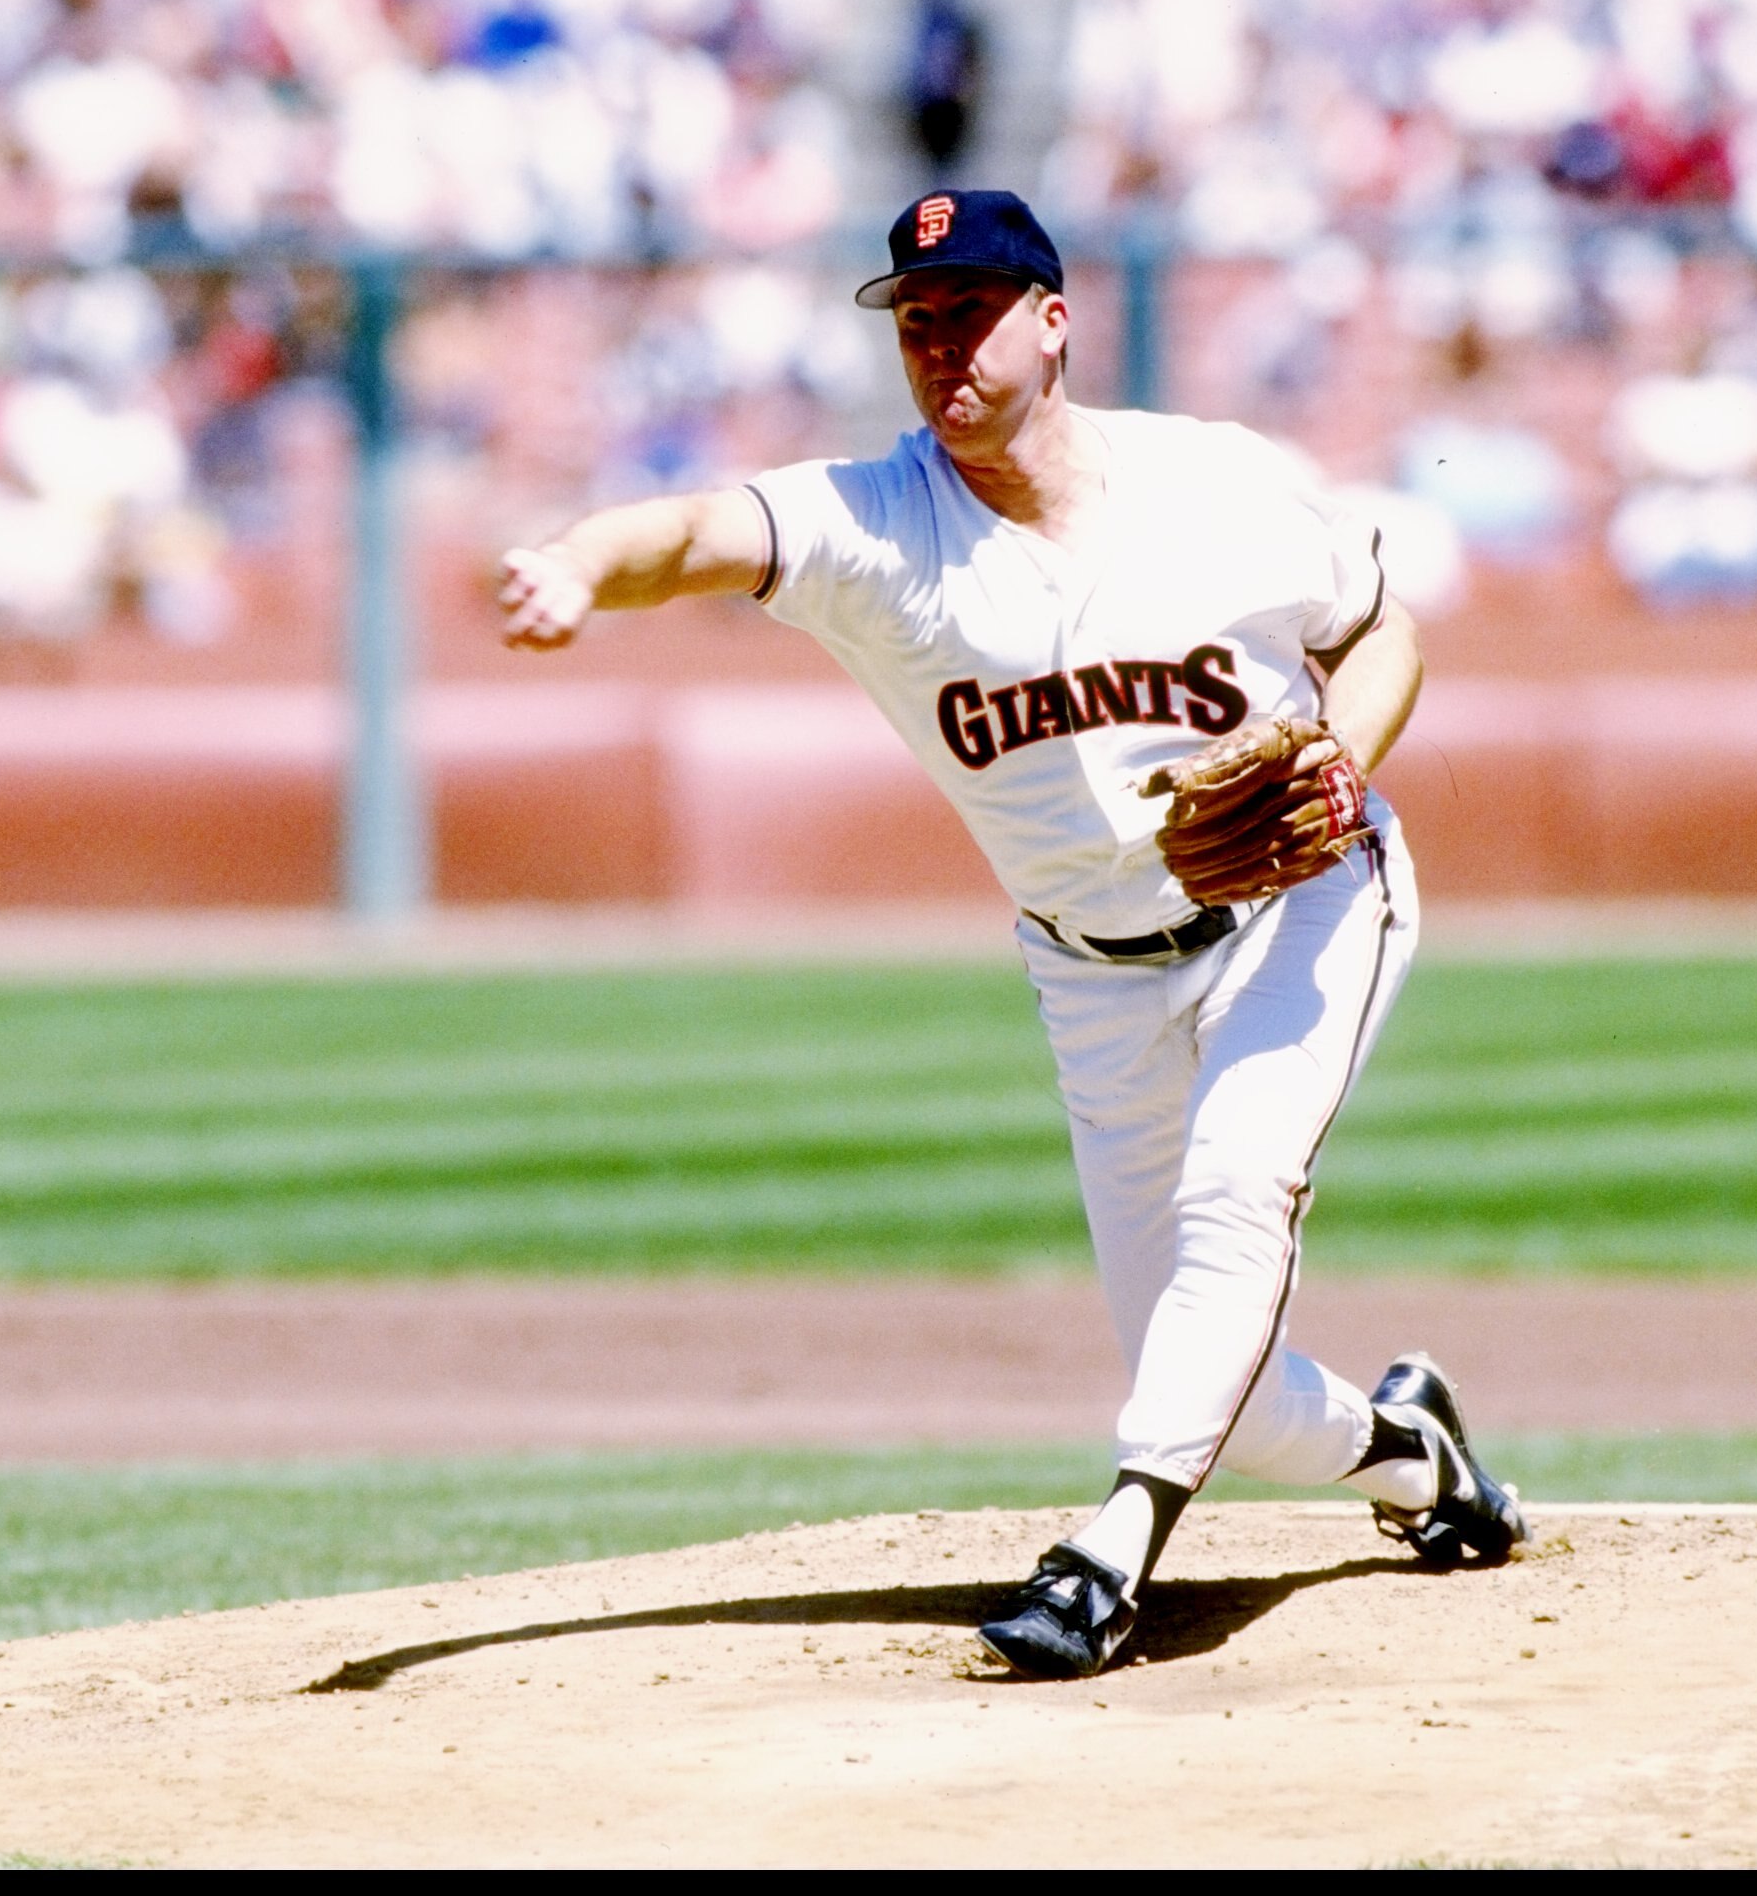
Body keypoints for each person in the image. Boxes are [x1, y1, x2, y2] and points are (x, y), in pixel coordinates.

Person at [497, 188, 1526, 1679]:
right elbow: (698, 530)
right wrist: (584, 567)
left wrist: (1342, 765)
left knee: (1242, 1193)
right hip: (1089, 966)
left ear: (1052, 324)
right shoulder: (878, 524)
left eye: (970, 312)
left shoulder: (1216, 484)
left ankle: (1108, 1555)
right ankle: (1420, 1455)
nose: (940, 346)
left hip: (1304, 901)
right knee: (1217, 1383)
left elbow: (1385, 634)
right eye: (917, 319)